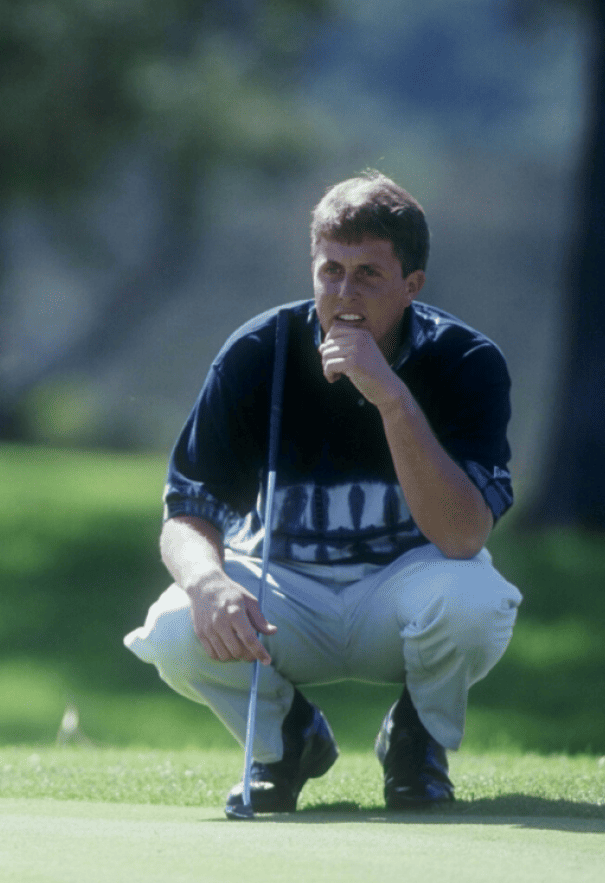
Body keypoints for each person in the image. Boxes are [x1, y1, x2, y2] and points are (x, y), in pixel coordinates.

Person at [124, 170, 522, 814]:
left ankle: (417, 739)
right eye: (330, 270)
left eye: (368, 273)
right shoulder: (258, 354)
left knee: (475, 601)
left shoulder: (466, 362)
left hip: (405, 585)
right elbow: (187, 511)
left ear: (411, 285)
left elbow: (463, 534)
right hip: (286, 593)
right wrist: (208, 584)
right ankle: (286, 744)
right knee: (174, 626)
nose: (344, 292)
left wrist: (390, 397)